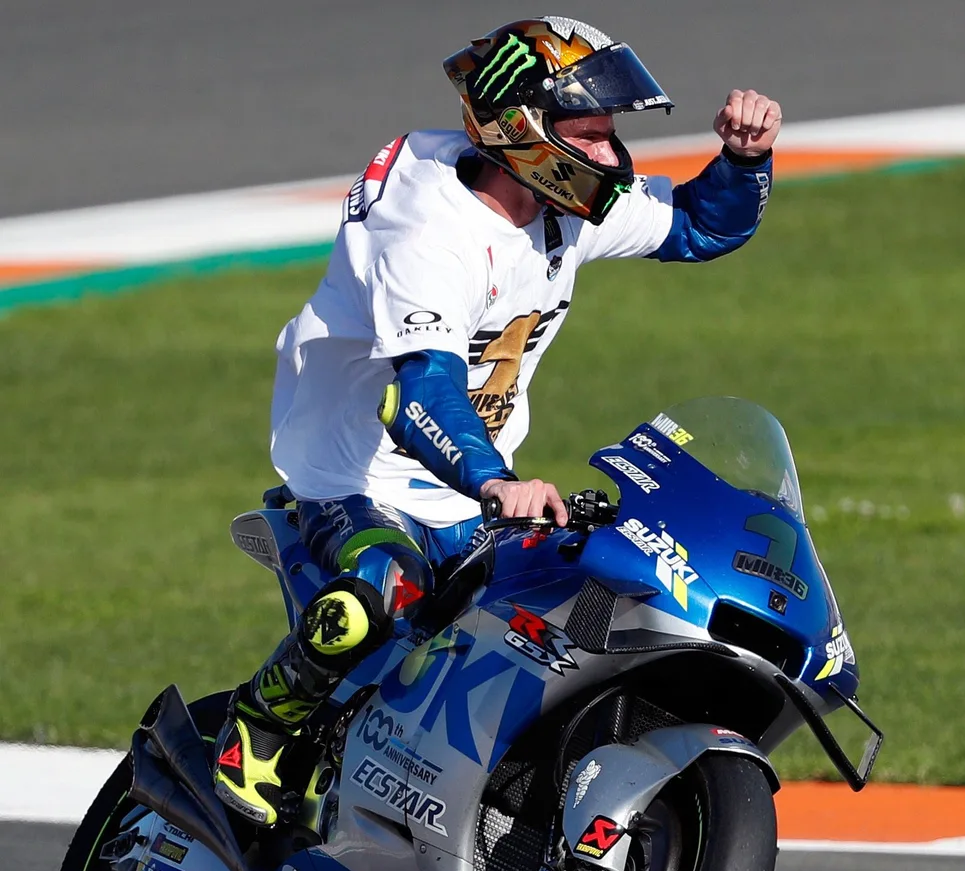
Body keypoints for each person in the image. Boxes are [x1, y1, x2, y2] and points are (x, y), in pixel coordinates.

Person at [214, 16, 781, 827]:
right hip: (356, 476)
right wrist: (495, 481)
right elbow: (419, 398)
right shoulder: (426, 231)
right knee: (382, 590)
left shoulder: (569, 201)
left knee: (585, 604)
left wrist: (744, 158)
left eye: (613, 133)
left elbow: (700, 224)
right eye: (591, 134)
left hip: (479, 490)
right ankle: (260, 723)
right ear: (523, 131)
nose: (615, 155)